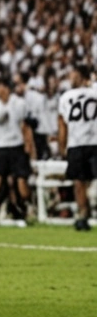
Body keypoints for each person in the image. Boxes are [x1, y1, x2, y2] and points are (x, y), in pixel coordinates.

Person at [0, 79, 36, 225]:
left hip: (16, 145)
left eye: (3, 88)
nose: (1, 91)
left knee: (22, 180)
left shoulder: (19, 103)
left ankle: (24, 209)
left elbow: (25, 127)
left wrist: (29, 146)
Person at [58, 65, 97, 231]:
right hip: (80, 142)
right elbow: (62, 123)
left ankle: (83, 213)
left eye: (73, 75)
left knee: (80, 182)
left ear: (81, 77)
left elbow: (61, 124)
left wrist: (62, 144)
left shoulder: (66, 96)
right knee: (79, 182)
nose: (70, 78)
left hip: (85, 142)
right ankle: (82, 214)